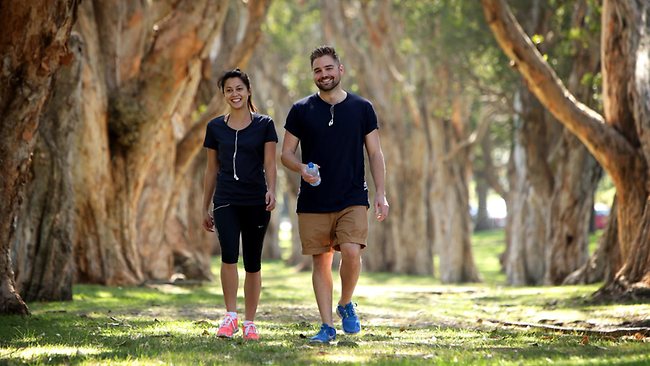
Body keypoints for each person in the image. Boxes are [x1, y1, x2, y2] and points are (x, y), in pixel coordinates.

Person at [280, 46, 389, 343]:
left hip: (352, 196)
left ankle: (345, 303)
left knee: (352, 251)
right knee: (321, 261)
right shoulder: (301, 110)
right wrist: (301, 167)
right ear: (313, 74)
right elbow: (286, 154)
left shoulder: (362, 108)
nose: (323, 74)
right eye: (317, 70)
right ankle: (327, 326)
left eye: (328, 68)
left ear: (340, 70)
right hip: (313, 200)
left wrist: (381, 193)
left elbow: (376, 153)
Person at [202, 68, 278, 341]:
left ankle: (250, 323)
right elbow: (211, 170)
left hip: (256, 200)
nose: (234, 94)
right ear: (224, 95)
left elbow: (270, 163)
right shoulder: (214, 128)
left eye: (238, 89)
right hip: (225, 200)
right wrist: (204, 207)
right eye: (229, 90)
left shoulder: (265, 124)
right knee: (229, 255)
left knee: (253, 263)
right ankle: (230, 317)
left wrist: (271, 191)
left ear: (248, 91)